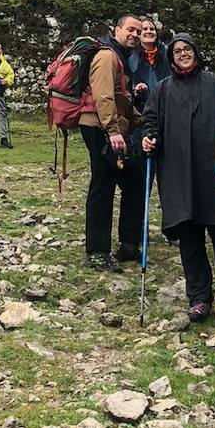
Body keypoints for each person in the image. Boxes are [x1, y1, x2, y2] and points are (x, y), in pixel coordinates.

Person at [141, 33, 215, 325]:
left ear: (196, 52)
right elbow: (149, 120)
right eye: (177, 51)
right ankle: (199, 297)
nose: (183, 54)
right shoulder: (162, 89)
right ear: (171, 56)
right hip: (177, 174)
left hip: (213, 172)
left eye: (188, 49)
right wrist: (148, 138)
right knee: (190, 240)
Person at [78, 14, 146, 271]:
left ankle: (128, 244)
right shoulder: (107, 57)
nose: (135, 35)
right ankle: (96, 252)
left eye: (138, 32)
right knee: (102, 186)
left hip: (111, 127)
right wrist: (113, 131)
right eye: (130, 29)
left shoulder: (121, 57)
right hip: (100, 127)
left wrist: (140, 120)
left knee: (134, 181)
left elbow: (121, 99)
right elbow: (103, 97)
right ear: (116, 30)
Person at [129, 16, 171, 112]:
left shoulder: (167, 53)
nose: (149, 31)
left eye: (152, 29)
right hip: (143, 107)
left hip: (167, 103)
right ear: (139, 34)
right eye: (144, 29)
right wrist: (136, 88)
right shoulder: (131, 56)